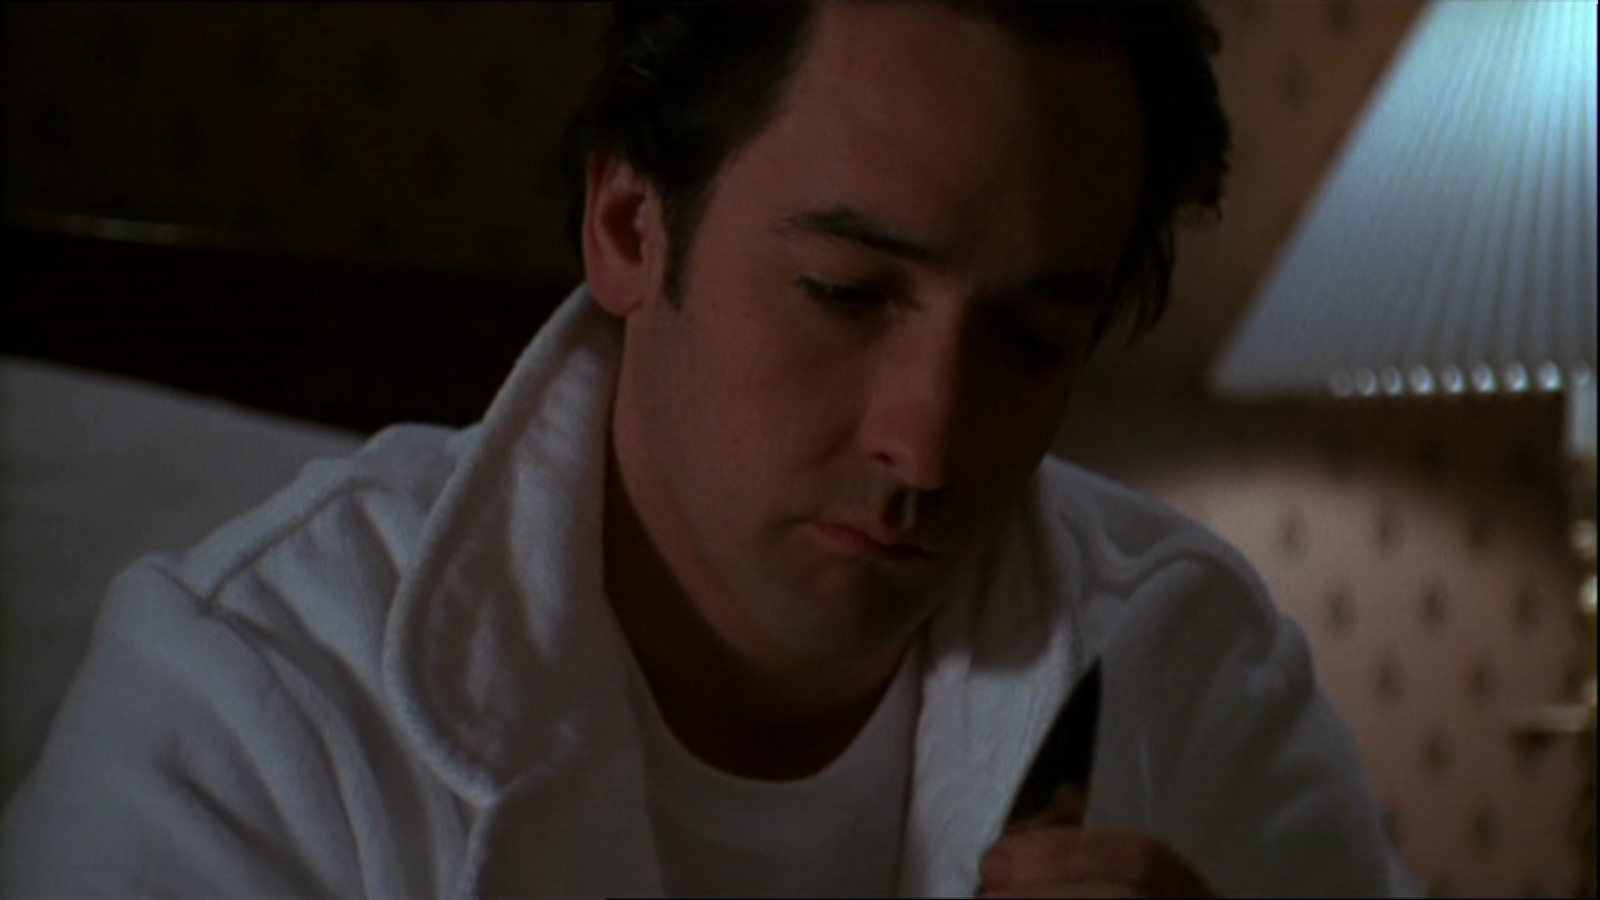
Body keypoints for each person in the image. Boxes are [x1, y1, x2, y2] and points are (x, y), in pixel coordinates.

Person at [1, 2, 1419, 897]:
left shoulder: (1189, 667)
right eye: (846, 295)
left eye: (1036, 340)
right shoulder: (258, 708)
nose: (927, 443)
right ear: (629, 227)